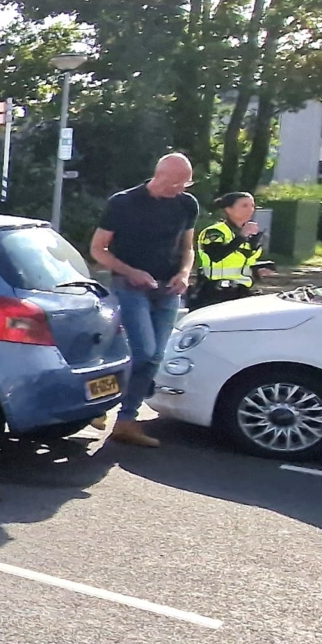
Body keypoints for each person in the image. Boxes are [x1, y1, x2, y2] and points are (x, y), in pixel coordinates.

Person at [90, 152, 199, 448]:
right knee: (143, 352)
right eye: (173, 182)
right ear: (158, 175)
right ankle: (98, 403)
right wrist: (131, 271)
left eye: (184, 183)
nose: (178, 188)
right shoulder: (123, 203)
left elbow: (188, 248)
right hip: (129, 285)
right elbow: (98, 250)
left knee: (155, 357)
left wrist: (185, 273)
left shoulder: (187, 204)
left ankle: (125, 420)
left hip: (168, 288)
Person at [190, 191, 265, 310]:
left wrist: (258, 271)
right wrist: (241, 237)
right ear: (229, 210)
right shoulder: (215, 231)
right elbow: (216, 255)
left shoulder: (252, 234)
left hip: (241, 293)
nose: (251, 209)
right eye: (244, 206)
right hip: (214, 294)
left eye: (252, 205)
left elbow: (244, 263)